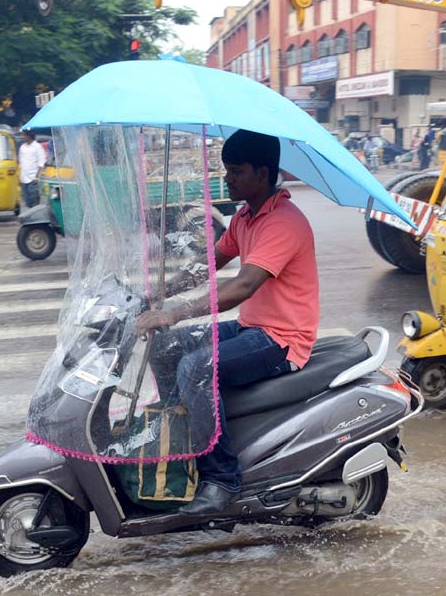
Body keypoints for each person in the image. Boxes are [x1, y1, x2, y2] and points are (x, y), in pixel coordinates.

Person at [135, 129, 319, 516]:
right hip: (253, 328)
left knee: (196, 367)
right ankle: (182, 443)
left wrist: (175, 312)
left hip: (281, 339)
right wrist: (159, 294)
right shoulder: (245, 217)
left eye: (236, 171)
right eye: (226, 171)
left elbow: (244, 285)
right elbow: (211, 263)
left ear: (263, 173)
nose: (228, 179)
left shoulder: (283, 222)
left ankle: (222, 480)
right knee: (167, 345)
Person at [18, 129, 47, 209]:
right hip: (24, 179)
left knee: (35, 202)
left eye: (24, 135)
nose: (23, 137)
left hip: (33, 179)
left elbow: (41, 163)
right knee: (27, 202)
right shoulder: (22, 147)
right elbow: (20, 162)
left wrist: (37, 177)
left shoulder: (37, 147)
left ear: (29, 136)